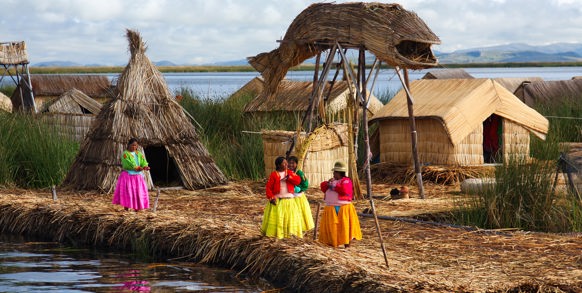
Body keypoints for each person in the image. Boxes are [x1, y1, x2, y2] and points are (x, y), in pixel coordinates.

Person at [318, 161, 362, 248]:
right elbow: (323, 187)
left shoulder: (346, 181)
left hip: (343, 207)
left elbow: (344, 190)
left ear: (339, 173)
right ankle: (333, 242)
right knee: (332, 226)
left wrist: (334, 187)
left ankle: (347, 245)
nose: (333, 174)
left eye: (335, 172)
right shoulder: (333, 180)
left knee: (345, 226)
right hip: (331, 208)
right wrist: (328, 183)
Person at [261, 156, 303, 239]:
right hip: (278, 201)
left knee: (290, 219)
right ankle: (277, 235)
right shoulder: (274, 174)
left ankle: (290, 236)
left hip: (289, 201)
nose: (287, 164)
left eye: (286, 162)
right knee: (278, 219)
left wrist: (289, 178)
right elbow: (268, 188)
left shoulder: (289, 173)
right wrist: (271, 198)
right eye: (284, 163)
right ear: (279, 165)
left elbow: (298, 180)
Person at [112, 138, 151, 212]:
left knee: (138, 192)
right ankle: (126, 209)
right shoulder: (125, 154)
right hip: (128, 176)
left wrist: (145, 166)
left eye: (135, 145)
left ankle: (137, 208)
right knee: (128, 193)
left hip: (138, 177)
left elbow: (143, 161)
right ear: (129, 145)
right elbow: (128, 163)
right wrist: (136, 168)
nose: (134, 147)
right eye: (132, 145)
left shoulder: (138, 154)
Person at [287, 156, 315, 232]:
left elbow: (305, 184)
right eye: (289, 163)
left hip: (298, 197)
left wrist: (299, 190)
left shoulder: (299, 173)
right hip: (289, 197)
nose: (291, 165)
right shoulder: (286, 173)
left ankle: (300, 228)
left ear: (296, 164)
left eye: (293, 163)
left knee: (299, 212)